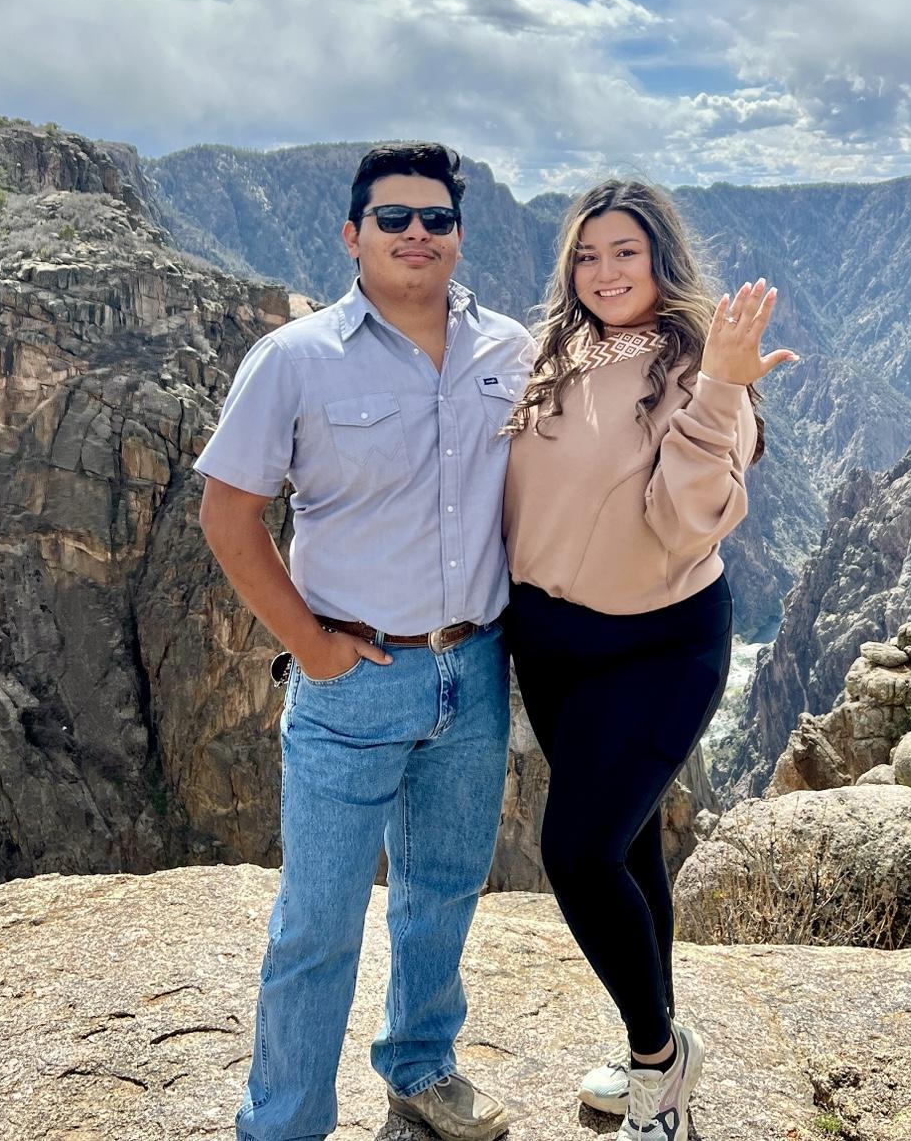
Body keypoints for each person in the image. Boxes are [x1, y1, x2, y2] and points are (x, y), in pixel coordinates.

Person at [195, 142, 532, 1141]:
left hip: (475, 668)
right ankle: (285, 1123)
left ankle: (421, 1067)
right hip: (356, 680)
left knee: (443, 891)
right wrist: (311, 645)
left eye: (437, 218)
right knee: (319, 920)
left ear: (459, 234)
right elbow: (228, 515)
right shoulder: (295, 359)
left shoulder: (509, 350)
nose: (416, 233)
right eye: (394, 218)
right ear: (353, 234)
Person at [501, 178, 794, 1141]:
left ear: (661, 258)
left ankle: (661, 1066)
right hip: (552, 644)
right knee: (627, 847)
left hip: (658, 646)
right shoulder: (552, 352)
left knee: (576, 854)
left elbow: (685, 520)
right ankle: (651, 1044)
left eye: (624, 251)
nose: (604, 271)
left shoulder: (702, 368)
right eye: (586, 255)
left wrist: (723, 385)